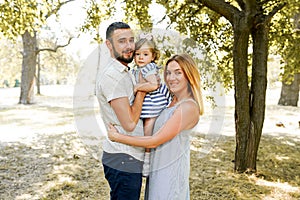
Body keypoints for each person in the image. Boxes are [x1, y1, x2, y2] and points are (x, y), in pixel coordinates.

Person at [108, 53, 204, 199]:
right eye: (168, 73)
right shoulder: (170, 100)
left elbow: (154, 140)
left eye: (178, 73)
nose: (171, 78)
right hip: (157, 172)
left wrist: (118, 137)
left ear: (189, 75)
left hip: (170, 176)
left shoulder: (188, 107)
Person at [95, 22, 154, 200]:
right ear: (109, 45)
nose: (129, 46)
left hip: (128, 155)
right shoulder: (113, 76)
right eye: (121, 41)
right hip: (122, 157)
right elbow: (128, 123)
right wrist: (142, 91)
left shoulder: (125, 71)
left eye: (131, 40)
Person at [132, 33, 171, 177]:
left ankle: (147, 160)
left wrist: (137, 88)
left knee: (148, 130)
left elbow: (154, 85)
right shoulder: (137, 70)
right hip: (147, 104)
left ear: (153, 56)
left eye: (145, 54)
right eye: (137, 54)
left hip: (154, 103)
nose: (141, 57)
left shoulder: (148, 68)